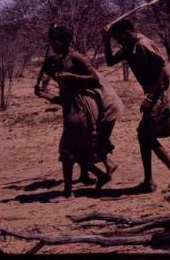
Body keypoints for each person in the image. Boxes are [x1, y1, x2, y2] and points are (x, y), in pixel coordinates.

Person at [103, 19, 170, 193]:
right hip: (155, 93)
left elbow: (165, 72)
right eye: (115, 38)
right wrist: (106, 38)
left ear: (127, 32)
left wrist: (150, 97)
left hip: (163, 93)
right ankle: (149, 181)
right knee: (144, 136)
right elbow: (110, 61)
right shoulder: (128, 47)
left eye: (118, 36)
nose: (118, 41)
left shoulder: (143, 44)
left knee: (145, 135)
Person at [34, 25, 112, 198]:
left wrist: (73, 77)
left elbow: (95, 80)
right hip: (71, 108)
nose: (53, 45)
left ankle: (68, 192)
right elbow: (64, 95)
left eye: (56, 42)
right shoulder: (60, 60)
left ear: (65, 41)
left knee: (66, 151)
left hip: (81, 109)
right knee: (76, 152)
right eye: (51, 42)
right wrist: (44, 95)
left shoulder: (76, 58)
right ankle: (101, 175)